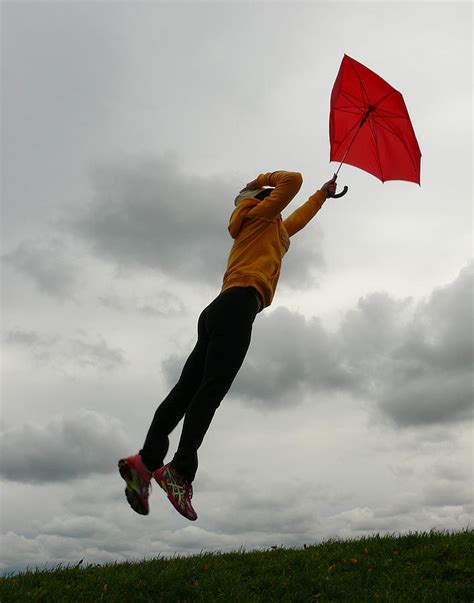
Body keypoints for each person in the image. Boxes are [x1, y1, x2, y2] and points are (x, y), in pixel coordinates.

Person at [118, 170, 338, 521]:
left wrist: (323, 195)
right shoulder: (259, 214)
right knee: (211, 391)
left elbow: (298, 218)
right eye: (275, 203)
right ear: (265, 202)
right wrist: (257, 182)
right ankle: (179, 470)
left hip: (219, 309)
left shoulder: (269, 228)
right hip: (238, 307)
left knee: (187, 389)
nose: (283, 211)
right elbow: (292, 180)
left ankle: (145, 462)